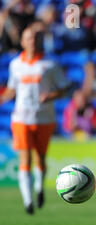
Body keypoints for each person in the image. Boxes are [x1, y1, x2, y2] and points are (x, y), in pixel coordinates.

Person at [0, 26, 69, 214]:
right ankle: (28, 201)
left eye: (35, 37)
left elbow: (64, 88)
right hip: (21, 117)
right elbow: (12, 90)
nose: (32, 41)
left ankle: (39, 188)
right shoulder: (15, 64)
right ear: (22, 41)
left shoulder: (50, 64)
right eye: (28, 37)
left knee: (40, 158)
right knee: (25, 158)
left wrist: (51, 96)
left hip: (44, 117)